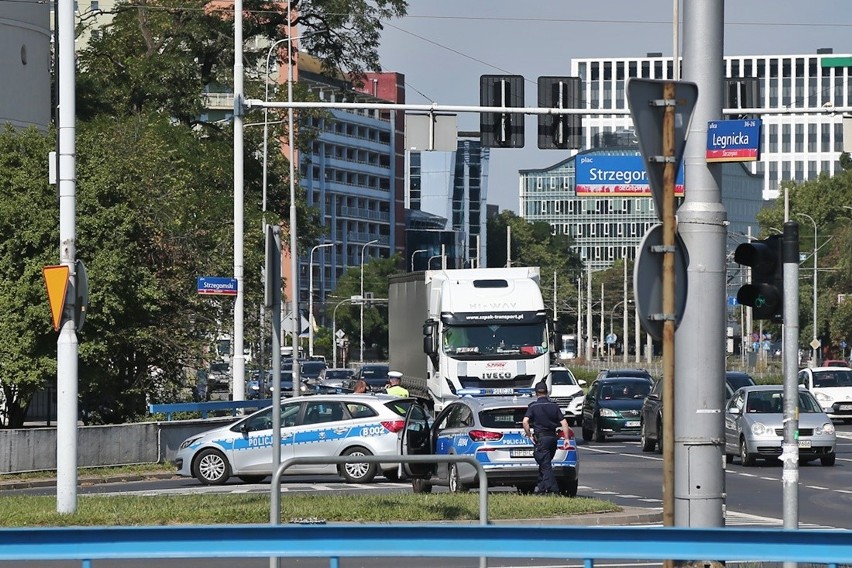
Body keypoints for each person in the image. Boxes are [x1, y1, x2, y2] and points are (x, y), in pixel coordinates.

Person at [523, 381, 570, 495]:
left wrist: (529, 435)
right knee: (545, 463)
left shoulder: (533, 406)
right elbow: (564, 423)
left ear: (536, 393)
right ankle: (541, 489)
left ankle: (554, 490)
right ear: (547, 392)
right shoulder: (554, 406)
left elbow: (525, 421)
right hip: (553, 438)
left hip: (541, 439)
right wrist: (567, 439)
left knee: (545, 465)